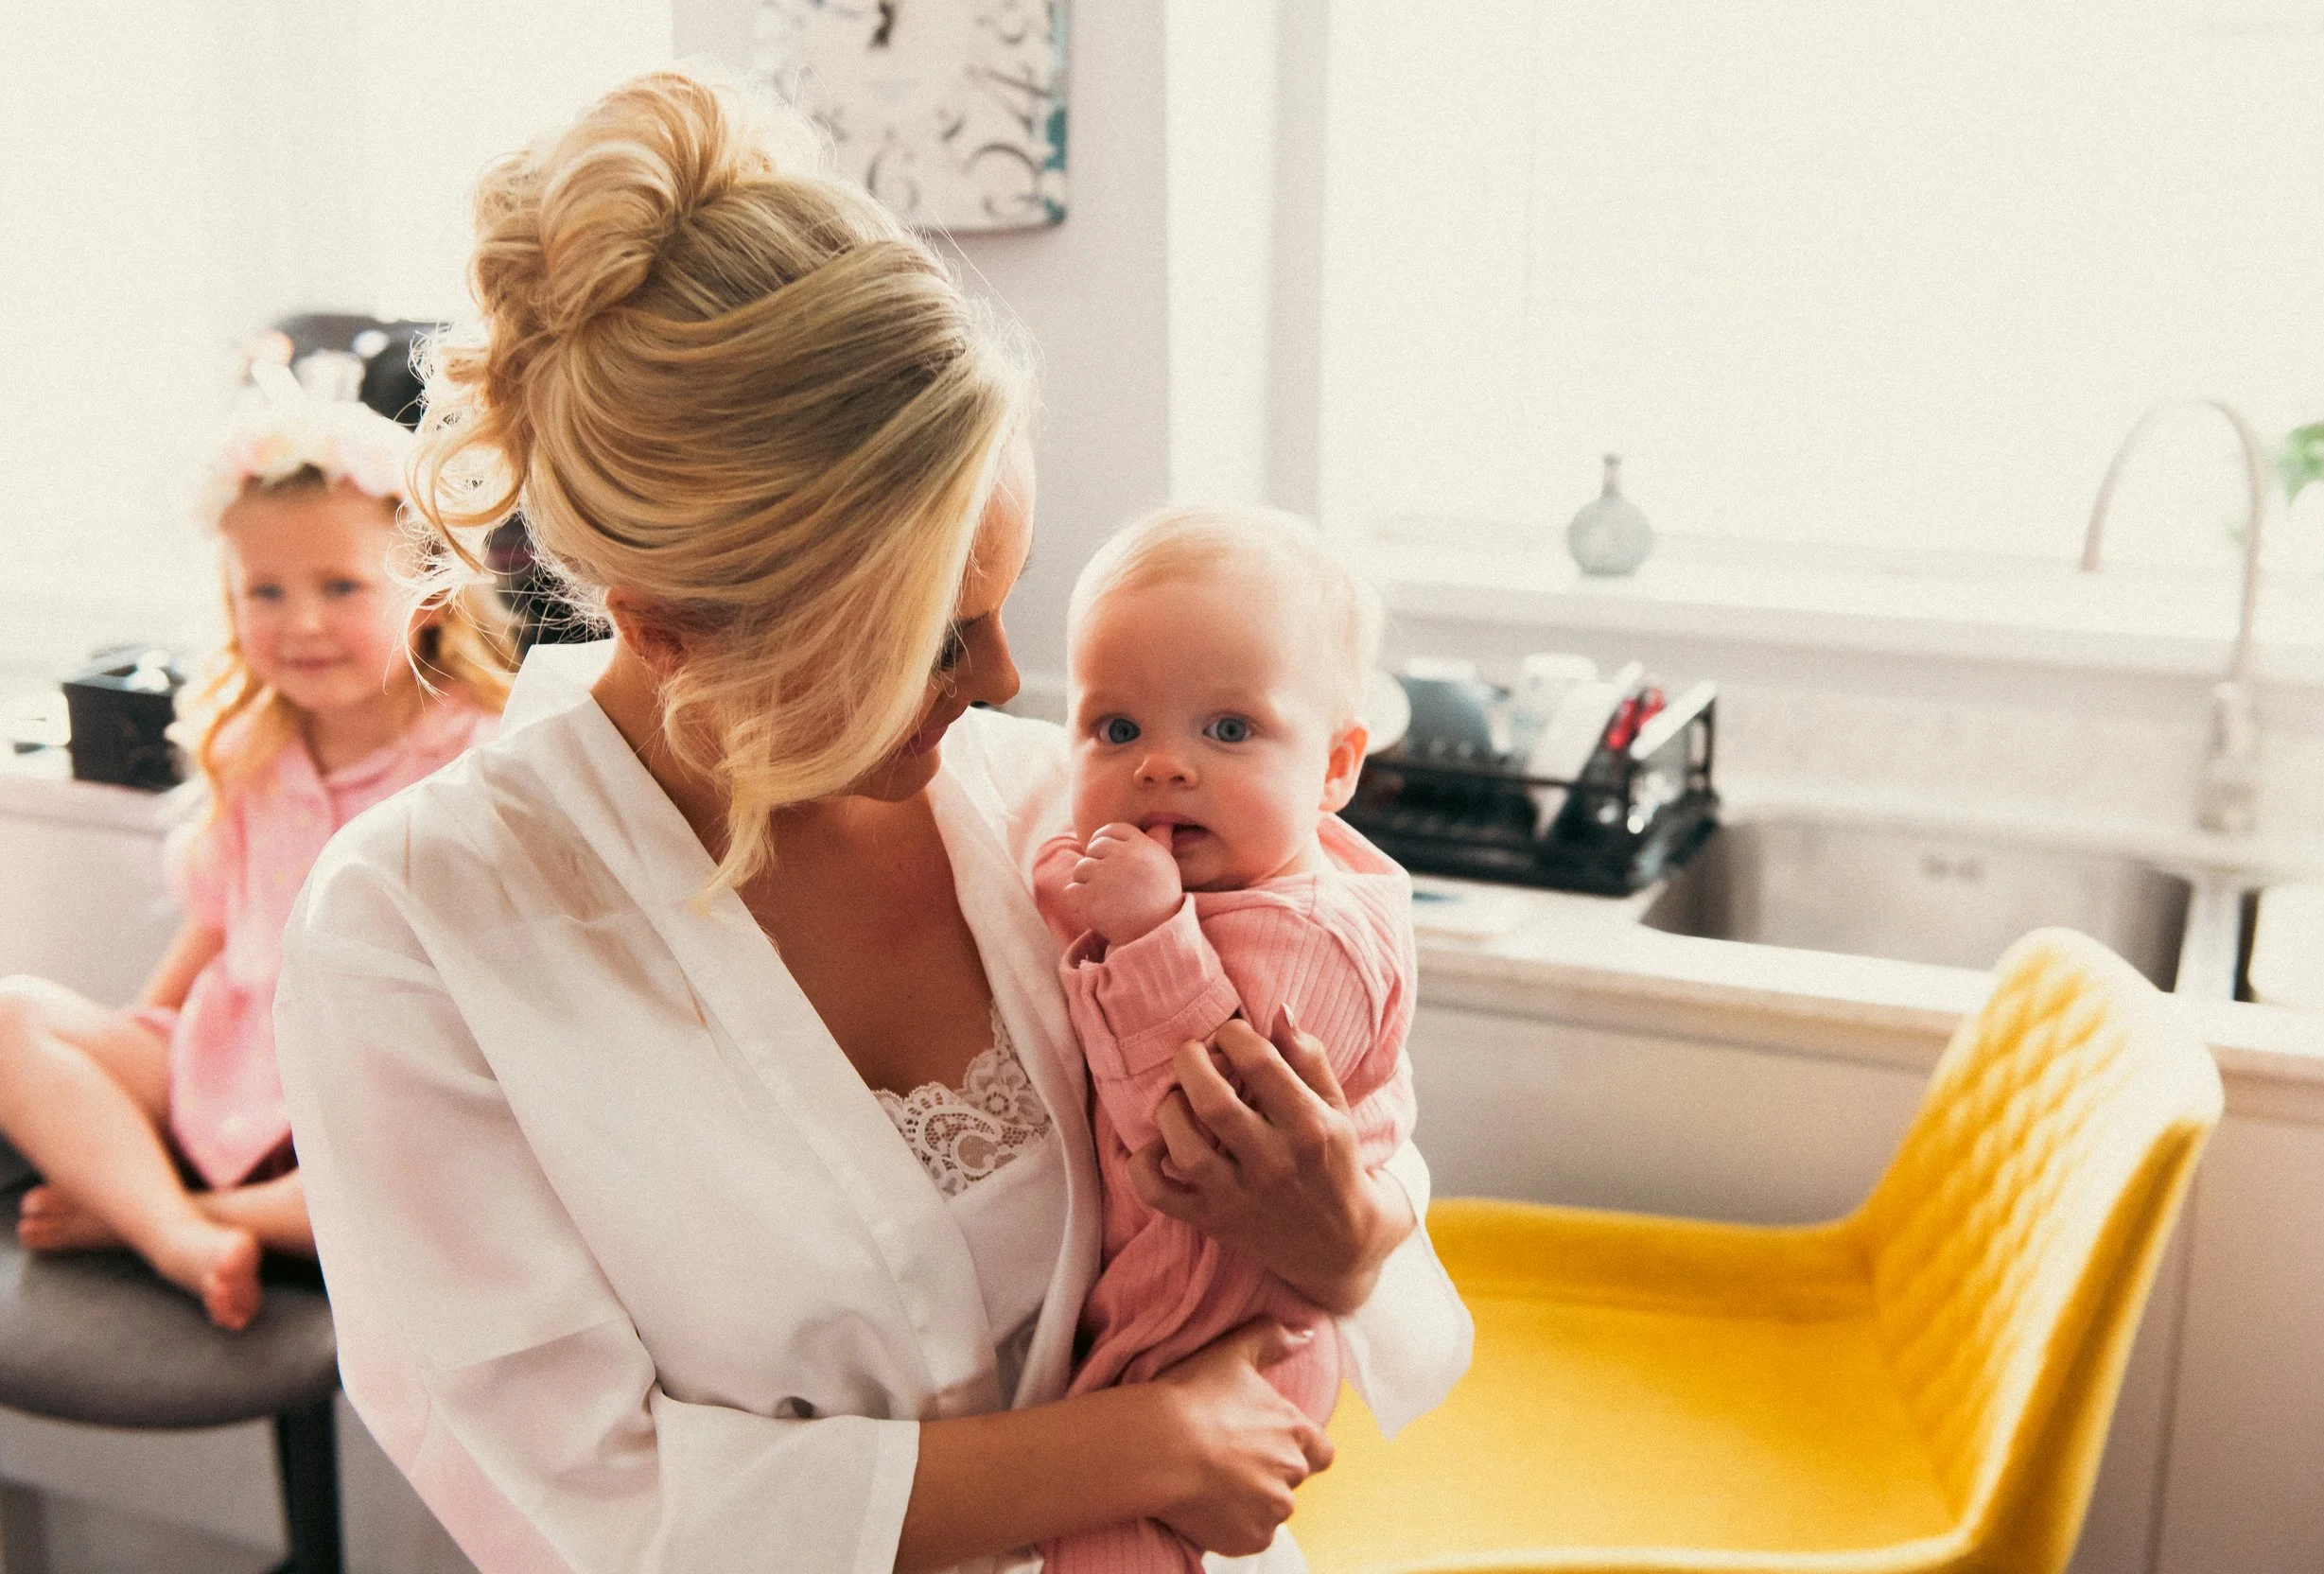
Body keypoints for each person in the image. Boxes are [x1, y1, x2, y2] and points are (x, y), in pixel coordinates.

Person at [273, 71, 1469, 1574]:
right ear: (670, 629)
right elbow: (583, 1491)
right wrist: (1138, 1448)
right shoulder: (419, 935)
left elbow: (1346, 1084)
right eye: (930, 641)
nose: (1012, 684)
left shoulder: (1060, 821)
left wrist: (1348, 1240)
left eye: (1002, 604)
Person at [0, 385, 514, 1330]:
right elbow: (217, 920)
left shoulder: (476, 757)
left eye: (341, 586)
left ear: (431, 590)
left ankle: (167, 1218)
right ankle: (171, 1226)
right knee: (11, 1016)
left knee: (447, 1172)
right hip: (221, 1066)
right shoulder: (253, 749)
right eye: (264, 591)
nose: (301, 622)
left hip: (355, 1099)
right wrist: (135, 1038)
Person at [1032, 506, 1434, 1574]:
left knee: (1109, 1544)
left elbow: (1193, 1126)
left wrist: (1144, 928)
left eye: (1228, 729)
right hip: (1174, 1338)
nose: (1162, 766)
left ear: (1337, 764)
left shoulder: (1308, 935)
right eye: (1115, 730)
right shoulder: (1245, 870)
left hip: (1215, 1348)